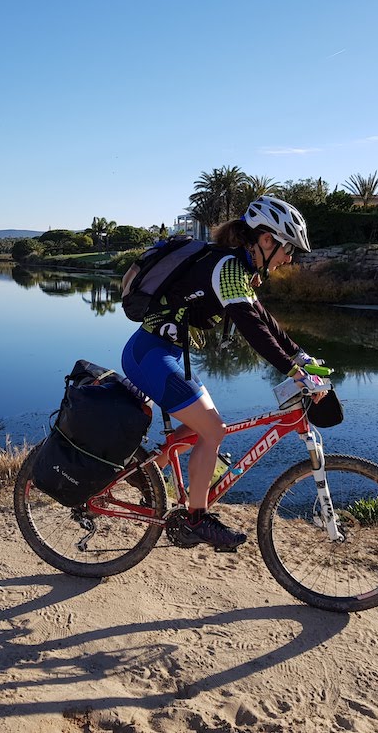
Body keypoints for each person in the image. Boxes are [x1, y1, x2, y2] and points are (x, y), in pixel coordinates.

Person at [121, 196, 325, 549]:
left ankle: (145, 472)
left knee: (210, 427)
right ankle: (195, 520)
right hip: (149, 354)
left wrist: (302, 357)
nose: (289, 258)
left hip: (164, 354)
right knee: (212, 429)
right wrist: (293, 371)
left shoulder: (238, 270)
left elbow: (266, 322)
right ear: (265, 240)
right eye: (287, 249)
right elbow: (251, 328)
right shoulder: (227, 268)